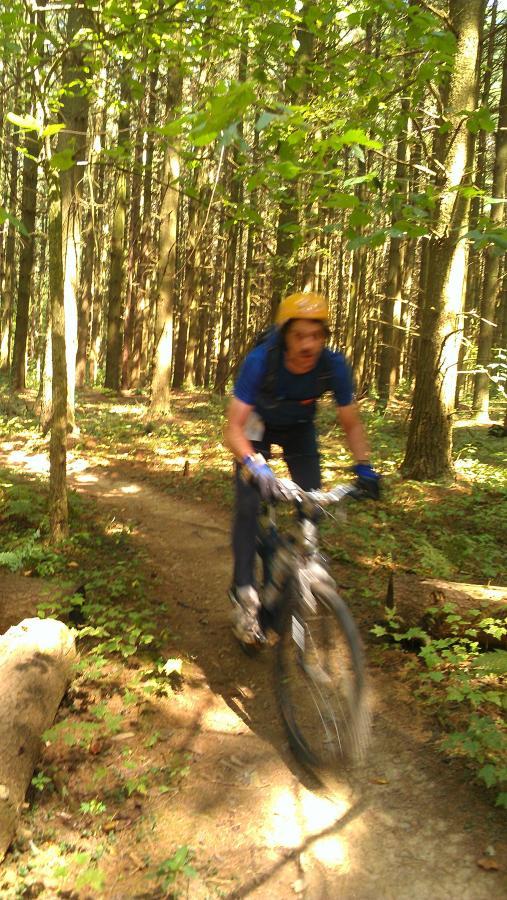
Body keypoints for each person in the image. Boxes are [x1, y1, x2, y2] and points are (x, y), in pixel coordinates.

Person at [224, 291, 380, 645]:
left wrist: (364, 467)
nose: (309, 345)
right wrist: (255, 466)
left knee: (312, 503)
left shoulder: (333, 365)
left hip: (298, 429)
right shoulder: (261, 360)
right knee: (249, 504)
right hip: (256, 427)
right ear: (284, 335)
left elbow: (351, 423)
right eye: (300, 336)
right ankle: (245, 595)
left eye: (316, 336)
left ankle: (293, 572)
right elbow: (233, 428)